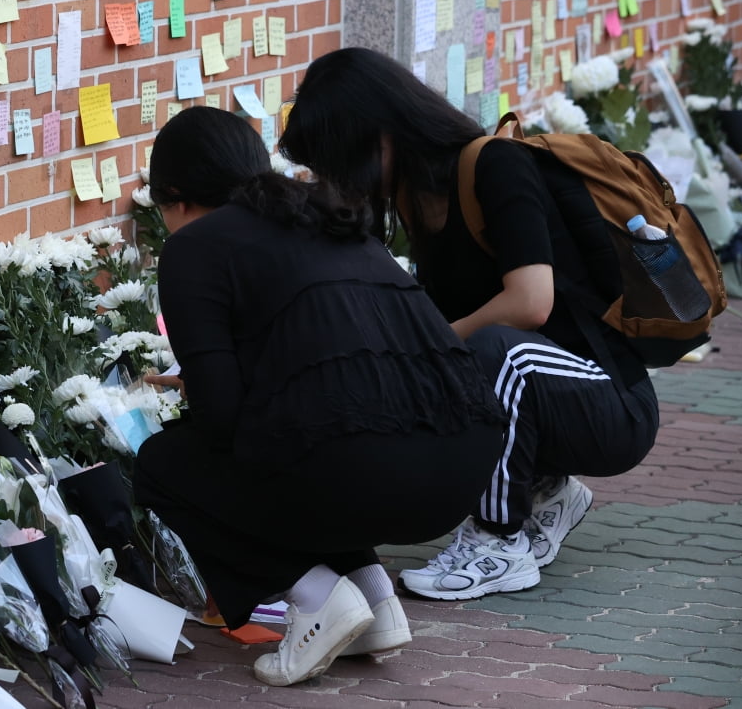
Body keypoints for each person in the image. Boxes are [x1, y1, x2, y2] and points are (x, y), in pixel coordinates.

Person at [132, 107, 507, 686]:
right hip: (464, 463)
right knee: (323, 432)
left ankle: (317, 598)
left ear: (176, 198)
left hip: (368, 467)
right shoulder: (326, 216)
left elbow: (220, 417)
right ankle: (376, 602)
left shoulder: (196, 247)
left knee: (166, 464)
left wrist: (202, 384)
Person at [278, 47, 660, 601]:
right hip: (543, 395)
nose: (340, 178)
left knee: (492, 351)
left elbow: (532, 303)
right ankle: (546, 488)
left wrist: (428, 344)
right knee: (421, 363)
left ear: (380, 131)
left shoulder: (494, 164)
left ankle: (498, 540)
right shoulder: (414, 197)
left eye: (340, 159)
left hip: (612, 405)